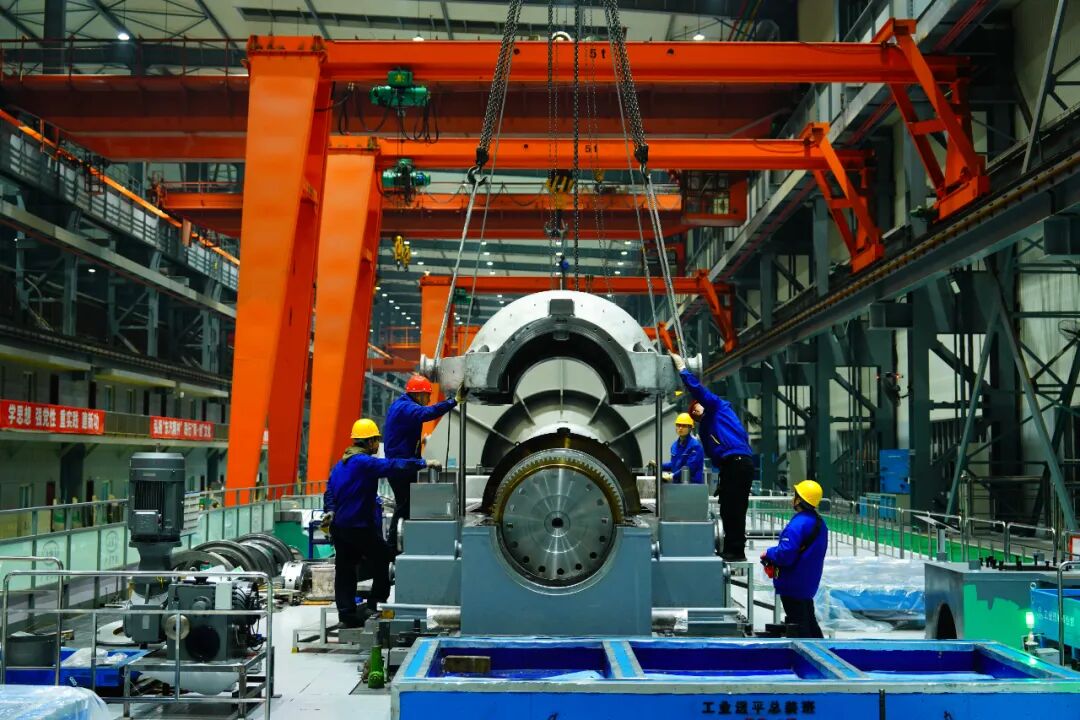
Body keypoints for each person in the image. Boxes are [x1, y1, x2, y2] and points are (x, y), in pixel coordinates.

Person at [324, 418, 436, 628]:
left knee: (345, 570)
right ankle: (375, 604)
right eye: (376, 440)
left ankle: (346, 615)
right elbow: (392, 465)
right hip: (359, 526)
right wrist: (423, 463)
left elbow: (329, 491)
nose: (378, 444)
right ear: (369, 442)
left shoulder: (340, 465)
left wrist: (329, 510)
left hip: (340, 527)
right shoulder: (363, 462)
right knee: (384, 557)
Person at [670, 352, 754, 561]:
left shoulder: (717, 407)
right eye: (693, 412)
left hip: (738, 462)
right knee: (728, 508)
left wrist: (683, 370)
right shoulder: (707, 427)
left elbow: (699, 391)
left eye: (697, 407)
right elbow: (713, 454)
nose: (696, 410)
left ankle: (736, 551)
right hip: (730, 466)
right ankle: (732, 549)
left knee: (735, 508)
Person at [383, 375, 465, 551]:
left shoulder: (401, 406)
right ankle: (392, 550)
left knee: (406, 507)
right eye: (427, 396)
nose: (428, 400)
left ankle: (401, 547)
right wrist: (454, 401)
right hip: (401, 468)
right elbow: (427, 413)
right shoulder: (406, 408)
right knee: (404, 508)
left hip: (402, 466)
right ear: (418, 394)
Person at [760, 480, 827, 638]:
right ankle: (822, 648)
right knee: (809, 621)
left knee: (800, 627)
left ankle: (808, 652)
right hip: (808, 582)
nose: (793, 498)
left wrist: (769, 553)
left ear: (800, 500)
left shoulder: (798, 524)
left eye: (795, 495)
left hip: (793, 582)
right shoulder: (819, 522)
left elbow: (785, 555)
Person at [662, 413, 705, 484]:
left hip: (692, 485)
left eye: (684, 426)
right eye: (678, 425)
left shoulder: (695, 446)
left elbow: (690, 468)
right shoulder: (674, 445)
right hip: (677, 484)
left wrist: (672, 476)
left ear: (690, 428)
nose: (680, 428)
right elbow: (674, 464)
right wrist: (658, 465)